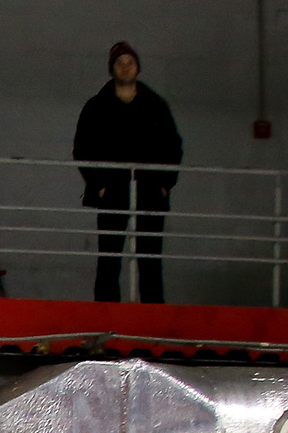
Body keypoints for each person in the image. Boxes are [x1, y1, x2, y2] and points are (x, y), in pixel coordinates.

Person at [75, 42, 182, 304]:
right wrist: (99, 184)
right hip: (111, 191)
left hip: (150, 191)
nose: (125, 67)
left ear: (138, 68)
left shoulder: (156, 105)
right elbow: (82, 148)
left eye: (129, 62)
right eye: (119, 63)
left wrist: (165, 184)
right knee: (109, 261)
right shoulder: (96, 107)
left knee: (150, 261)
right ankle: (106, 321)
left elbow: (173, 146)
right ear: (112, 69)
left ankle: (152, 324)